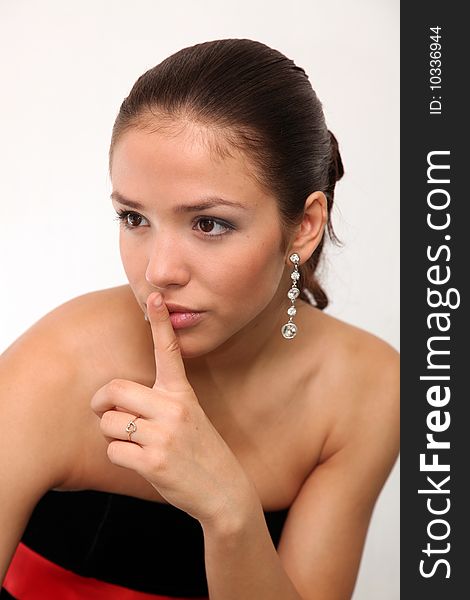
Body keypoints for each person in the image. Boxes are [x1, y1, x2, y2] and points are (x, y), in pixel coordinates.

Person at [0, 38, 399, 600]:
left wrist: (228, 510)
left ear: (305, 226)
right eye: (133, 217)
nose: (158, 271)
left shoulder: (366, 388)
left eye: (209, 224)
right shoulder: (57, 366)